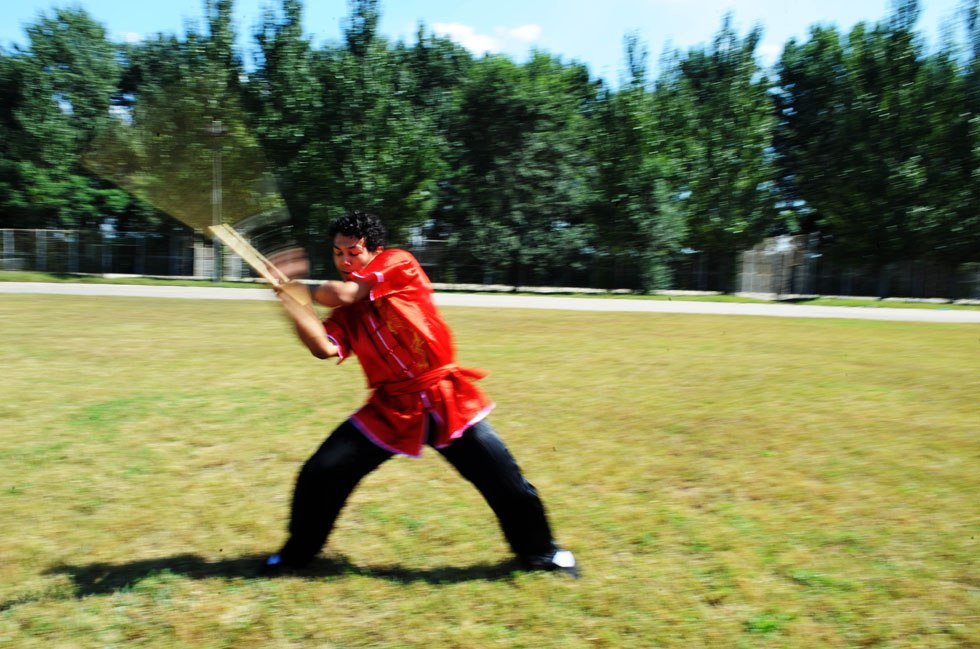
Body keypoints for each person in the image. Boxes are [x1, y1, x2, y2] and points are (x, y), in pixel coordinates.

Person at [263, 210, 577, 577]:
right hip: (391, 409)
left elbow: (345, 292)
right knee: (321, 472)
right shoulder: (349, 316)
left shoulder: (397, 263)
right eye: (337, 253)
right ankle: (296, 556)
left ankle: (544, 555)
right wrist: (290, 302)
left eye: (354, 252)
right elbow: (323, 347)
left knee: (504, 481)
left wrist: (300, 285)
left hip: (445, 398)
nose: (345, 261)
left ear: (375, 251)